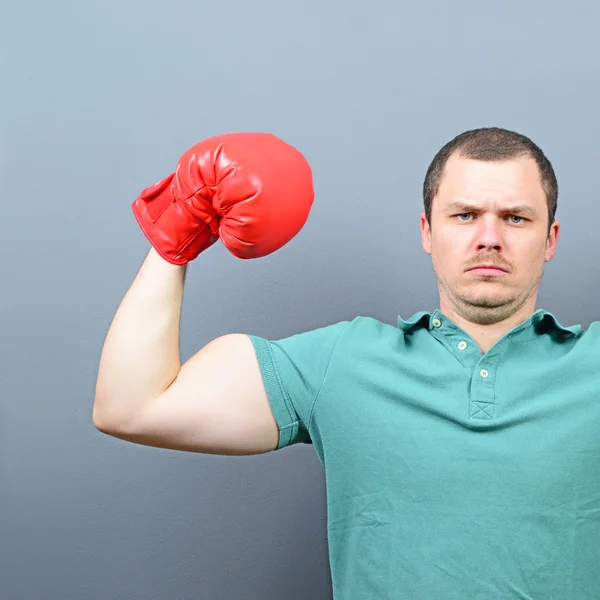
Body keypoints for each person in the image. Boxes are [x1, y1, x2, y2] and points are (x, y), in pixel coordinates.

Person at [93, 127, 600, 599]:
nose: (489, 237)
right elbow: (133, 407)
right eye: (464, 215)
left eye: (515, 217)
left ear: (550, 238)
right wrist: (174, 235)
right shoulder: (342, 361)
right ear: (428, 231)